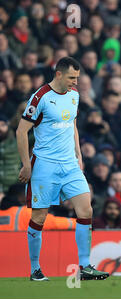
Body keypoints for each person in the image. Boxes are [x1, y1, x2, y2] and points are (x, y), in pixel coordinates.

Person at [16, 57, 109, 281]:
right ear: (58, 74)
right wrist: (26, 165)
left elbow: (73, 126)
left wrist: (78, 156)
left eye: (77, 78)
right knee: (39, 216)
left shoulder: (74, 96)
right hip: (44, 165)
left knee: (86, 210)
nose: (75, 82)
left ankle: (85, 266)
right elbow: (21, 132)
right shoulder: (40, 98)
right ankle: (35, 269)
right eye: (71, 77)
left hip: (70, 165)